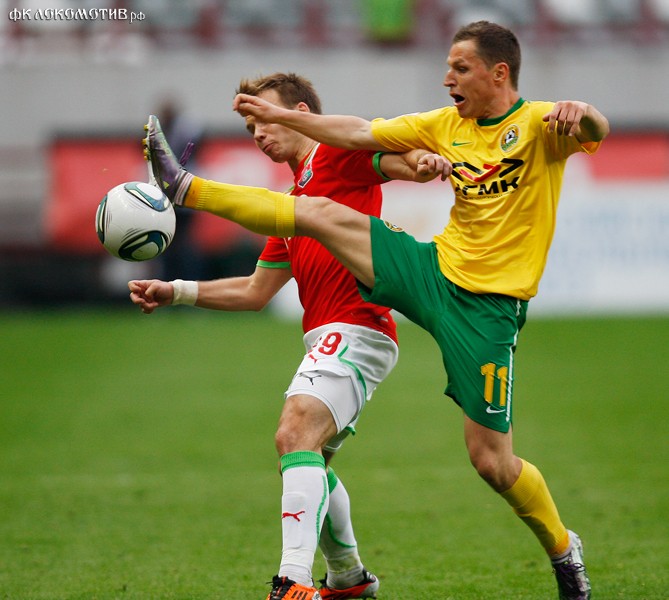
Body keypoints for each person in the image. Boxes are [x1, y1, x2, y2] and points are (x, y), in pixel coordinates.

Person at [142, 21, 609, 599]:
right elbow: (361, 132)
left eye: (460, 68)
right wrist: (178, 290)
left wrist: (584, 111)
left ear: (499, 72)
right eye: (447, 66)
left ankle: (563, 549)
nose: (447, 78)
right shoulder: (444, 124)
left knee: (492, 462)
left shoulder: (539, 124)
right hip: (434, 271)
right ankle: (185, 189)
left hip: (488, 310)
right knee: (318, 215)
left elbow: (595, 130)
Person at [131, 73, 451, 600]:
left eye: (263, 118)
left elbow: (397, 162)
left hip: (359, 325)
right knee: (309, 458)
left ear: (300, 112)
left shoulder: (336, 154)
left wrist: (422, 163)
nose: (258, 133)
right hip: (330, 334)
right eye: (249, 127)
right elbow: (255, 291)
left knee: (295, 431)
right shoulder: (291, 204)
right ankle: (348, 578)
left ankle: (293, 582)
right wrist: (176, 291)